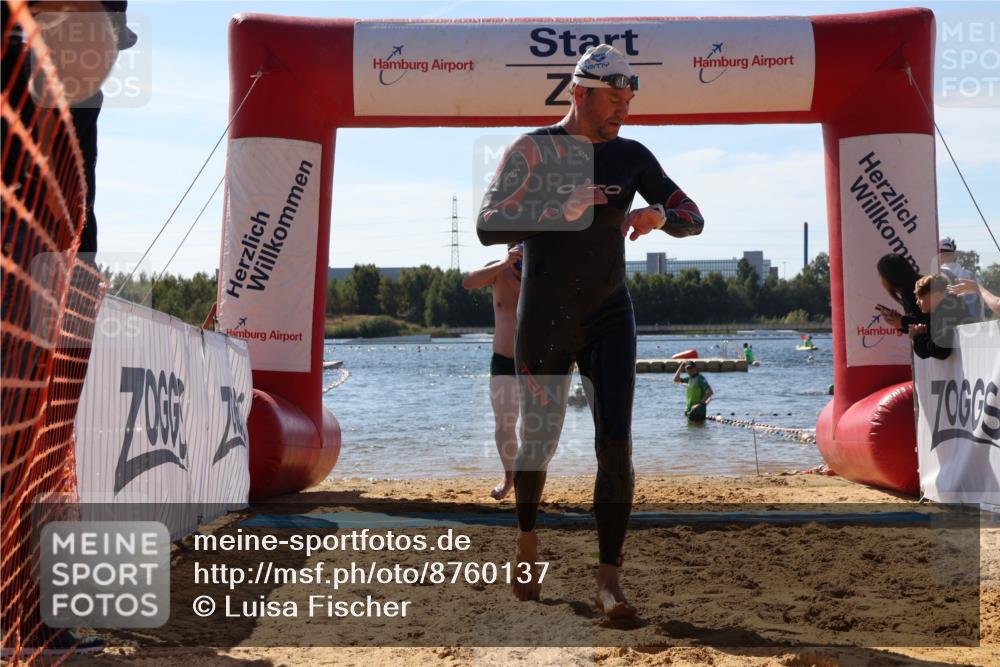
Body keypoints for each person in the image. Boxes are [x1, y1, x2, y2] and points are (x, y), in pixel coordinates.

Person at [476, 44, 704, 617]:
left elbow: (693, 216)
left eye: (628, 101)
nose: (621, 110)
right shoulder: (535, 149)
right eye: (613, 100)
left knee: (616, 446)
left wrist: (661, 217)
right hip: (545, 317)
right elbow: (487, 225)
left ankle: (609, 580)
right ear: (579, 93)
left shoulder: (632, 156)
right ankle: (527, 541)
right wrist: (557, 208)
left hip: (609, 315)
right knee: (539, 441)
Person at [461, 244, 523, 500]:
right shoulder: (499, 272)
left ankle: (528, 480)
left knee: (532, 429)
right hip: (503, 361)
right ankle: (509, 478)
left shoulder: (542, 274)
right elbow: (468, 282)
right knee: (503, 425)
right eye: (515, 249)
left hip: (533, 363)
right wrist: (504, 263)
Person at [909, 274, 977, 360]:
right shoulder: (947, 309)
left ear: (937, 295)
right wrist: (924, 335)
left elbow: (941, 350)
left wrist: (917, 337)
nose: (917, 302)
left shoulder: (947, 311)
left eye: (920, 297)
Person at [875, 252, 924, 333]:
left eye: (881, 276)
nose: (881, 280)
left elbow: (929, 325)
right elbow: (917, 324)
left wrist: (902, 322)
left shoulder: (915, 291)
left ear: (890, 277)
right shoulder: (907, 289)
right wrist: (899, 322)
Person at [937, 237, 984, 321]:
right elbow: (981, 308)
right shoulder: (972, 276)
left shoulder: (937, 277)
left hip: (949, 328)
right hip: (975, 328)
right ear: (953, 253)